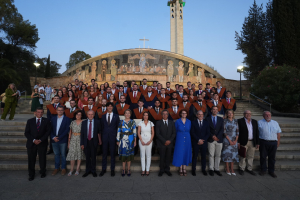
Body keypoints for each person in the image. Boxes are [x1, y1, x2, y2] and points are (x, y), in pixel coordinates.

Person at [24, 108, 51, 181]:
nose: (40, 113)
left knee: (42, 159)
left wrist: (41, 140)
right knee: (31, 160)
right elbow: (27, 133)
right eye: (38, 112)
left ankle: (43, 172)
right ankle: (31, 174)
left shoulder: (46, 121)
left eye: (41, 112)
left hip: (42, 143)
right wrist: (33, 140)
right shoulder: (30, 121)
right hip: (31, 143)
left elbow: (48, 132)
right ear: (35, 112)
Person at [258, 111, 281, 178]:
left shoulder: (275, 123)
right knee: (262, 157)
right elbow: (256, 133)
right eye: (266, 115)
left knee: (272, 158)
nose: (268, 116)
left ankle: (271, 171)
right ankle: (263, 170)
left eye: (269, 115)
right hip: (263, 142)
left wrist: (278, 142)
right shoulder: (259, 122)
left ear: (271, 115)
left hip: (273, 142)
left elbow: (278, 133)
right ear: (263, 116)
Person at [100, 102, 120, 177]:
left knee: (112, 154)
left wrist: (117, 139)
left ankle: (112, 169)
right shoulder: (103, 116)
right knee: (104, 154)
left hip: (113, 137)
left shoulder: (116, 116)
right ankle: (103, 169)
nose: (109, 107)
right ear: (106, 107)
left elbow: (118, 128)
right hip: (104, 137)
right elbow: (101, 127)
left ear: (112, 108)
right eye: (108, 106)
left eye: (111, 106)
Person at [50, 106, 71, 176]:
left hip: (63, 139)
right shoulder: (52, 119)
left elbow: (67, 130)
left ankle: (63, 168)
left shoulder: (67, 119)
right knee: (56, 154)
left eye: (61, 110)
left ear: (63, 111)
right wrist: (53, 137)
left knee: (63, 155)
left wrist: (59, 137)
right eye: (59, 110)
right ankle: (56, 168)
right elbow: (50, 129)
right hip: (54, 140)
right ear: (56, 111)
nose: (60, 111)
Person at [238, 110, 259, 176]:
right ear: (244, 114)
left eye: (249, 113)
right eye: (246, 113)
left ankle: (249, 168)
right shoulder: (239, 121)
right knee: (243, 156)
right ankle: (241, 168)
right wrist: (238, 142)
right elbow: (237, 132)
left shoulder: (254, 121)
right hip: (243, 142)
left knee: (250, 156)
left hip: (252, 142)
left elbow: (257, 133)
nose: (248, 114)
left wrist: (257, 143)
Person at [81, 110, 102, 177]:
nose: (90, 115)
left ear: (94, 115)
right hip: (86, 141)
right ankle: (87, 171)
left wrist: (99, 141)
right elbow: (82, 134)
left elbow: (99, 132)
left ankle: (93, 170)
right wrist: (82, 143)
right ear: (87, 115)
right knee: (87, 157)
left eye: (92, 114)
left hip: (93, 141)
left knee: (93, 157)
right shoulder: (84, 122)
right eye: (89, 114)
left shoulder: (97, 122)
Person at [116, 109, 136, 177]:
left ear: (130, 114)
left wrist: (135, 141)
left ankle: (129, 169)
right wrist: (118, 140)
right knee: (123, 155)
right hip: (123, 139)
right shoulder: (121, 122)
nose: (127, 114)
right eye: (126, 113)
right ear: (124, 114)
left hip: (130, 139)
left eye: (128, 113)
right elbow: (118, 131)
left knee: (129, 155)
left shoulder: (133, 122)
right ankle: (123, 169)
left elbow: (134, 132)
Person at [172, 109, 192, 176]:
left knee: (186, 152)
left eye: (185, 113)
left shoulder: (189, 121)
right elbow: (175, 130)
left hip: (187, 138)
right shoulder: (177, 121)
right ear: (180, 114)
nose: (184, 114)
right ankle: (180, 168)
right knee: (180, 152)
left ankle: (184, 168)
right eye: (182, 113)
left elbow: (190, 130)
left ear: (187, 114)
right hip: (179, 138)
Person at [156, 110, 176, 177]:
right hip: (162, 143)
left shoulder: (171, 122)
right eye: (163, 114)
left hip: (170, 143)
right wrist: (164, 141)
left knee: (168, 157)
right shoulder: (158, 123)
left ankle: (167, 170)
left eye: (166, 114)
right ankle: (161, 170)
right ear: (162, 115)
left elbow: (174, 133)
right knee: (162, 157)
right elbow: (157, 134)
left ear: (168, 115)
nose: (165, 115)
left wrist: (169, 141)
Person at [190, 110, 210, 176]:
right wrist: (198, 140)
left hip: (204, 143)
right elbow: (192, 132)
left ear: (203, 115)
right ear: (197, 115)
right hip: (196, 142)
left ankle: (203, 169)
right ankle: (193, 169)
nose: (200, 115)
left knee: (203, 156)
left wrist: (203, 140)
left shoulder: (206, 123)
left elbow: (208, 133)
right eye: (199, 114)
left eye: (201, 114)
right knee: (195, 156)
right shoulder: (193, 122)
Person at [206, 106, 224, 176]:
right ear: (211, 110)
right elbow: (207, 129)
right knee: (211, 155)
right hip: (211, 139)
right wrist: (212, 136)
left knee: (218, 155)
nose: (215, 110)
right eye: (214, 109)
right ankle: (211, 169)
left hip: (219, 139)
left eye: (216, 109)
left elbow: (222, 129)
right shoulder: (207, 119)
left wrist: (217, 137)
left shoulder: (221, 119)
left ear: (218, 111)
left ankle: (216, 169)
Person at [66, 110, 85, 176]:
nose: (78, 116)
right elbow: (70, 132)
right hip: (73, 139)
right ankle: (71, 169)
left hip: (80, 139)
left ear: (82, 115)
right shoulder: (73, 122)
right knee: (72, 154)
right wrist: (69, 141)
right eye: (77, 114)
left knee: (79, 154)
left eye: (79, 114)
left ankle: (77, 169)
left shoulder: (83, 122)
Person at [222, 109, 239, 176]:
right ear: (227, 114)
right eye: (229, 113)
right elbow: (224, 132)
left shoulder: (236, 121)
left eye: (231, 113)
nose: (230, 114)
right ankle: (227, 168)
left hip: (235, 139)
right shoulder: (224, 121)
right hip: (227, 140)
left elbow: (238, 131)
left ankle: (232, 168)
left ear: (233, 114)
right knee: (227, 155)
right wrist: (229, 140)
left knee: (233, 154)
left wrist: (235, 140)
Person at [137, 112, 155, 176]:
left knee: (148, 155)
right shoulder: (140, 123)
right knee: (142, 155)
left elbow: (153, 133)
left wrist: (150, 140)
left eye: (146, 115)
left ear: (148, 116)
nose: (145, 116)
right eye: (144, 115)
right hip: (142, 140)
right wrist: (141, 140)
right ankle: (143, 170)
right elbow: (138, 133)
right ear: (143, 116)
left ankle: (147, 170)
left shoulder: (151, 123)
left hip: (149, 140)